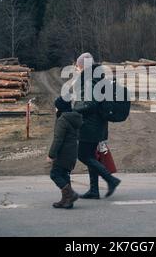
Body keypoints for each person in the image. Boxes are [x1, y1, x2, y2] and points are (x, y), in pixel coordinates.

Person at [73, 53, 121, 199]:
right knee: (90, 156)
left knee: (83, 155)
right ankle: (94, 190)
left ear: (83, 65)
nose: (76, 68)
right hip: (97, 125)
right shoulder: (97, 76)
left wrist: (74, 109)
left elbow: (91, 104)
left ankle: (111, 180)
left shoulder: (89, 78)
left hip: (90, 126)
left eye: (78, 65)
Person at [48, 96, 83, 209]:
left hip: (63, 152)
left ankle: (71, 194)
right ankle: (67, 201)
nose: (55, 109)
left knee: (55, 174)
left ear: (61, 107)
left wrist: (51, 155)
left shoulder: (63, 119)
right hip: (72, 151)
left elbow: (58, 139)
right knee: (64, 175)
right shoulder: (74, 117)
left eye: (56, 107)